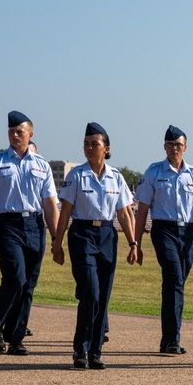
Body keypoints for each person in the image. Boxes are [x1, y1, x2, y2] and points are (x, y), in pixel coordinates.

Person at [50, 123, 138, 369]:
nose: (89, 148)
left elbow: (123, 213)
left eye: (94, 144)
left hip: (108, 236)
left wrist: (133, 243)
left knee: (103, 296)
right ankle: (81, 349)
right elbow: (65, 212)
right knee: (90, 292)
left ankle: (96, 351)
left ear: (106, 149)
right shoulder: (76, 175)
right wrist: (57, 243)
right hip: (82, 235)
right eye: (86, 143)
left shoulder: (116, 177)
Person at [134, 125, 193, 354]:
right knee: (175, 279)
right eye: (170, 145)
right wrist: (136, 243)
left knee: (175, 283)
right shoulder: (154, 172)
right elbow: (142, 211)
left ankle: (167, 338)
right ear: (164, 147)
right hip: (163, 230)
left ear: (185, 147)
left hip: (187, 233)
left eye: (178, 145)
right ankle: (172, 339)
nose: (174, 149)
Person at [0, 111, 60, 355]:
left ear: (30, 134)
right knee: (15, 278)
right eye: (11, 131)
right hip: (6, 225)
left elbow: (49, 203)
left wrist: (57, 238)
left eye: (19, 131)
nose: (15, 135)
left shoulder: (42, 165)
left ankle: (15, 337)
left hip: (35, 226)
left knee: (28, 284)